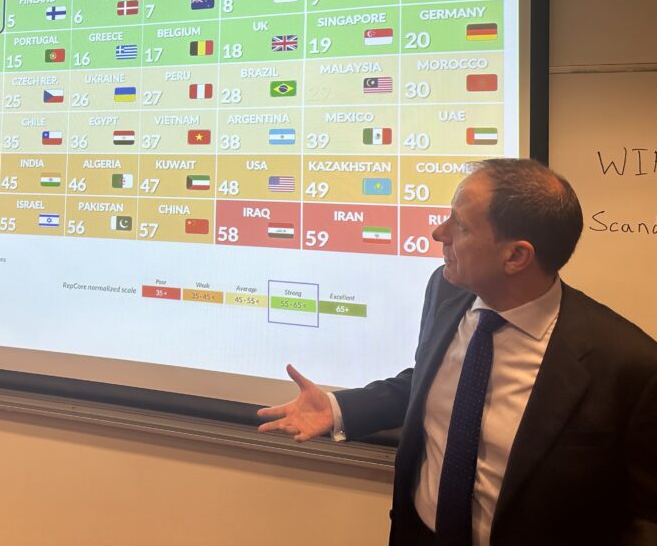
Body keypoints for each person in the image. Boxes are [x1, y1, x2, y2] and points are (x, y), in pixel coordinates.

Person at [257, 158, 657, 545]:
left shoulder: (629, 366)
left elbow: (647, 518)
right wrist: (339, 409)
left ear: (516, 256)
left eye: (460, 225)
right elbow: (433, 381)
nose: (438, 233)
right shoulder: (447, 289)